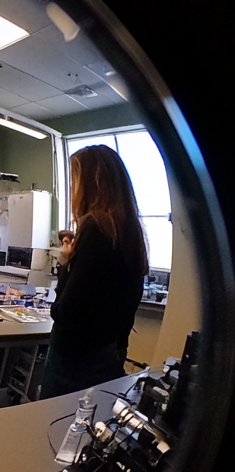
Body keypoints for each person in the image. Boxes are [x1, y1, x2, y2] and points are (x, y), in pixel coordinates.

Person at [40, 145, 148, 399]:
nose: (72, 189)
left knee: (50, 426)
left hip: (77, 357)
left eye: (74, 181)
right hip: (111, 350)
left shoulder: (95, 227)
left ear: (91, 182)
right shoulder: (128, 229)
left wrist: (66, 265)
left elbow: (65, 311)